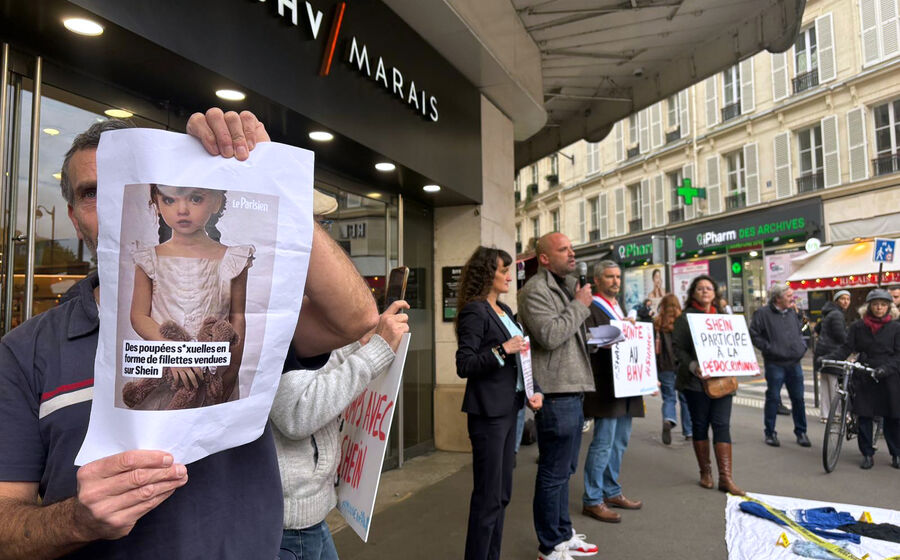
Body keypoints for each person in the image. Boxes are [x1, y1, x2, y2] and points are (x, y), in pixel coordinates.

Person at [0, 109, 379, 559]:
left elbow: (355, 318)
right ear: (74, 216)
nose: (111, 203)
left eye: (126, 182)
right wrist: (77, 521)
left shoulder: (243, 297)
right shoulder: (26, 352)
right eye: (92, 193)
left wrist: (267, 174)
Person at [272, 300, 410, 560]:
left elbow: (316, 370)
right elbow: (298, 412)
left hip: (307, 513)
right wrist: (373, 353)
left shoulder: (295, 321)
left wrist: (360, 344)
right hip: (293, 524)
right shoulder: (278, 320)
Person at [123, 185, 251, 410]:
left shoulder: (233, 259)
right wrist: (172, 352)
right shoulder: (148, 259)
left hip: (214, 375)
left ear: (216, 201)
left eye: (195, 199)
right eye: (169, 200)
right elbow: (139, 316)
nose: (182, 209)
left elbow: (237, 317)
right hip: (165, 373)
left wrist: (232, 370)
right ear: (157, 202)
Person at [455, 246, 543, 560]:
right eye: (503, 270)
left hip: (512, 408)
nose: (509, 276)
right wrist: (502, 349)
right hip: (489, 415)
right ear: (486, 274)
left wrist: (534, 390)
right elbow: (464, 364)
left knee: (502, 495)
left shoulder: (504, 309)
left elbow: (522, 358)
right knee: (488, 497)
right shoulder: (475, 311)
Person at [518, 232, 598, 560]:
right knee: (553, 472)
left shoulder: (568, 286)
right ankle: (549, 545)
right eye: (564, 249)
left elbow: (568, 335)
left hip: (572, 388)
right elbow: (550, 336)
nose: (572, 253)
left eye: (571, 248)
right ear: (545, 258)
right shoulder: (534, 291)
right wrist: (580, 305)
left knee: (565, 471)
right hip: (555, 391)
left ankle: (563, 534)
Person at [581, 261, 644, 524]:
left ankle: (612, 490)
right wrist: (609, 336)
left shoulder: (619, 307)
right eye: (609, 277)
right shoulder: (590, 306)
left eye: (618, 276)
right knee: (603, 443)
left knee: (620, 442)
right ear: (597, 280)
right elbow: (585, 340)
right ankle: (592, 499)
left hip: (626, 385)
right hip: (606, 384)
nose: (616, 281)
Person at [672, 275, 745, 496]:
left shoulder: (723, 317)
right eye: (700, 288)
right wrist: (693, 366)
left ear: (715, 293)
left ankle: (726, 478)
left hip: (723, 381)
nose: (705, 291)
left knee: (722, 425)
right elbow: (678, 348)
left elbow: (736, 344)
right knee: (700, 425)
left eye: (709, 288)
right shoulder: (685, 319)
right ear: (693, 293)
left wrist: (744, 362)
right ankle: (706, 472)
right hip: (696, 382)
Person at [826, 289, 900, 469]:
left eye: (883, 305)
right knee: (864, 416)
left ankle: (896, 453)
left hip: (889, 375)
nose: (879, 308)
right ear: (869, 307)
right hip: (865, 373)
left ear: (889, 307)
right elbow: (847, 347)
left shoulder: (896, 328)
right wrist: (829, 359)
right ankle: (867, 453)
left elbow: (898, 355)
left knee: (893, 417)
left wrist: (886, 369)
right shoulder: (858, 326)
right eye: (875, 304)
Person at [749, 284, 811, 448]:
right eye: (789, 296)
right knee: (774, 398)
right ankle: (770, 432)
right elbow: (754, 334)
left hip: (794, 362)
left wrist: (802, 346)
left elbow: (804, 328)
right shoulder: (762, 314)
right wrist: (769, 348)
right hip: (775, 363)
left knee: (798, 399)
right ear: (778, 298)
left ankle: (801, 432)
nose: (793, 298)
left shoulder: (793, 312)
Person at [655, 293, 692, 444]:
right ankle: (689, 431)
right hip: (682, 365)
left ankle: (669, 419)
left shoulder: (657, 323)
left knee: (669, 397)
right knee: (685, 399)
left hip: (664, 366)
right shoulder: (683, 322)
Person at [814, 290, 851, 423]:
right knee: (835, 385)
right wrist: (851, 344)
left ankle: (825, 414)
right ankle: (837, 414)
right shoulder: (837, 314)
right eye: (842, 299)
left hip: (822, 352)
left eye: (848, 299)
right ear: (836, 300)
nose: (846, 302)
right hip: (832, 353)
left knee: (825, 384)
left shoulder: (828, 312)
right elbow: (840, 335)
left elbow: (817, 329)